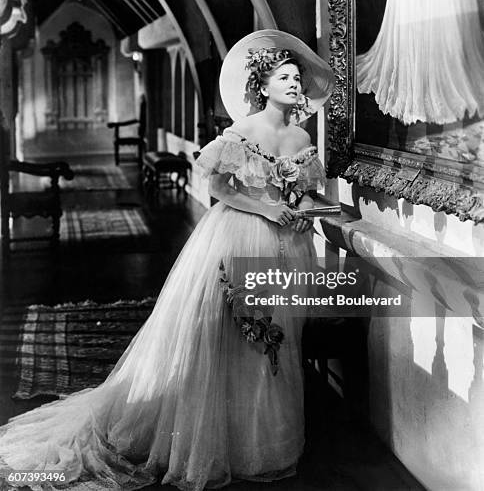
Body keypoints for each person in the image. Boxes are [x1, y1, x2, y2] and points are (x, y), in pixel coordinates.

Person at [0, 30, 334, 491]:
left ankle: (270, 439)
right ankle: (227, 440)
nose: (295, 84)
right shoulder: (241, 132)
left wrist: (300, 211)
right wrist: (267, 208)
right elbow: (219, 188)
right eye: (286, 76)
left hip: (288, 246)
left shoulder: (300, 135)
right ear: (264, 85)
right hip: (242, 236)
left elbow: (305, 190)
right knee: (241, 339)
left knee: (280, 339)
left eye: (298, 77)